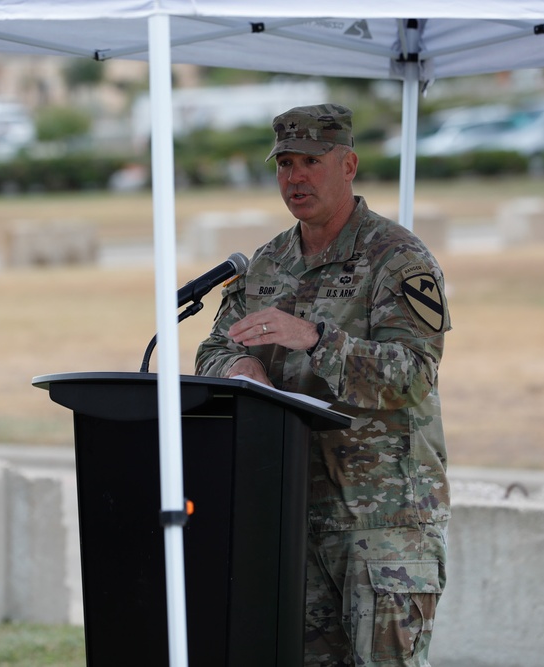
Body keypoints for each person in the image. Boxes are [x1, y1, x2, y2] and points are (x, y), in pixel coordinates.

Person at [195, 104, 451, 667]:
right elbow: (214, 348)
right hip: (288, 516)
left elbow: (412, 376)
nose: (296, 177)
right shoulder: (266, 264)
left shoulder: (398, 260)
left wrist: (314, 339)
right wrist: (239, 370)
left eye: (311, 160)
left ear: (349, 164)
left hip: (382, 527)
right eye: (285, 163)